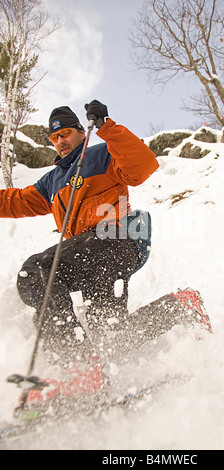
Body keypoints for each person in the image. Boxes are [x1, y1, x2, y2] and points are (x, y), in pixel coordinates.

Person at [0, 100, 159, 361]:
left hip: (114, 240)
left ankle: (78, 364)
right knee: (31, 275)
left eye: (65, 133)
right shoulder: (52, 180)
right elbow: (15, 201)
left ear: (81, 132)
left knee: (51, 264)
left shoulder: (102, 155)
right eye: (54, 137)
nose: (60, 140)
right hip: (83, 252)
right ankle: (179, 309)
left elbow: (143, 165)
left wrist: (107, 127)